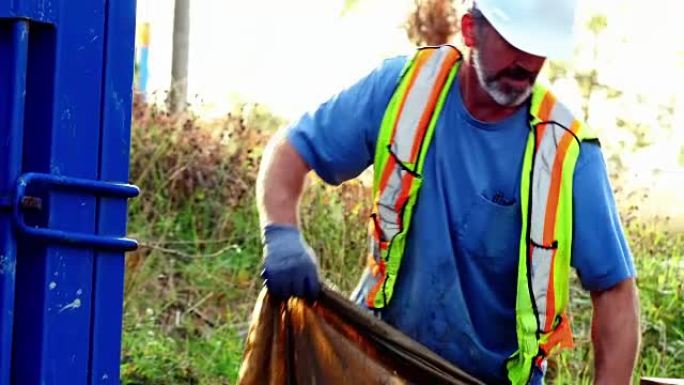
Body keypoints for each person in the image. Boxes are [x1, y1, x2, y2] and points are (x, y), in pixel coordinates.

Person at [256, 0, 640, 383]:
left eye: (538, 49)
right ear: (471, 29)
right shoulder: (404, 89)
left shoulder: (565, 152)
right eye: (513, 43)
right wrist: (281, 234)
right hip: (379, 357)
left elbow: (616, 296)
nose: (526, 62)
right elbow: (291, 151)